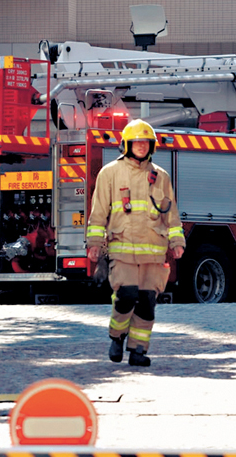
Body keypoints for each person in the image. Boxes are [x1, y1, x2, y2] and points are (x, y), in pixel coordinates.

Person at [87, 119, 186, 367]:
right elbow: (99, 212)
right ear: (126, 145)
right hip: (122, 249)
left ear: (151, 146)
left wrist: (177, 240)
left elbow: (171, 213)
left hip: (153, 252)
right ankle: (116, 337)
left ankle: (138, 350)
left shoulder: (160, 177)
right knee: (126, 295)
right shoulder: (110, 173)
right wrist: (94, 242)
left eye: (146, 142)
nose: (141, 146)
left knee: (147, 303)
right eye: (137, 142)